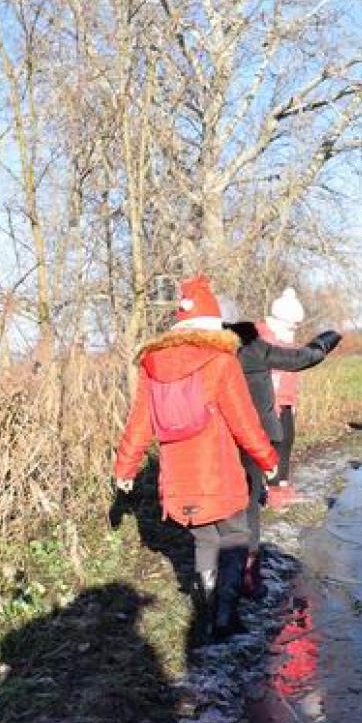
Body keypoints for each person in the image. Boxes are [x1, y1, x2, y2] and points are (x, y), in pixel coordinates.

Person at [114, 274, 278, 641]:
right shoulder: (220, 361)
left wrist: (124, 468)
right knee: (235, 536)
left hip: (179, 482)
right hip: (220, 475)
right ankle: (224, 616)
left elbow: (139, 424)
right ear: (213, 324)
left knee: (204, 540)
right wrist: (267, 460)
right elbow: (245, 421)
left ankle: (205, 612)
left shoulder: (152, 366)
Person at [220, 298, 342, 598]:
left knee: (223, 507)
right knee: (247, 504)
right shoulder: (253, 347)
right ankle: (249, 576)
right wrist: (328, 339)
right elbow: (301, 358)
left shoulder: (203, 353)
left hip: (217, 436)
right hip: (252, 434)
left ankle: (218, 585)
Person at [261, 287, 308, 502]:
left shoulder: (287, 341)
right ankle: (272, 489)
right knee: (274, 443)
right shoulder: (264, 338)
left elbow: (291, 373)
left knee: (287, 440)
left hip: (286, 401)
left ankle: (283, 483)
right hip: (270, 402)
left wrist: (293, 401)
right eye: (292, 325)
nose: (294, 329)